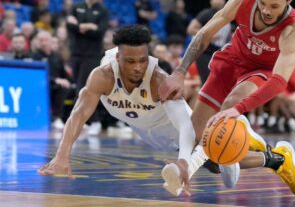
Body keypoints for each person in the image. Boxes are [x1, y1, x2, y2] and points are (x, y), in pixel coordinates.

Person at [37, 25, 243, 196]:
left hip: (175, 127)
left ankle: (239, 156)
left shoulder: (159, 80)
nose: (138, 67)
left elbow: (185, 125)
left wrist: (184, 162)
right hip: (145, 131)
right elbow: (78, 115)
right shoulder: (102, 76)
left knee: (213, 156)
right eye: (130, 61)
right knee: (206, 158)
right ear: (118, 57)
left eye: (142, 60)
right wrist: (62, 154)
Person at [159, 0, 295, 196]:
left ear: (289, 1)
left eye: (274, 6)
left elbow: (279, 81)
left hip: (262, 70)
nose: (266, 10)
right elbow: (204, 34)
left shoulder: (294, 28)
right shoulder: (243, 1)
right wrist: (180, 70)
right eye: (263, 3)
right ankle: (276, 159)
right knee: (202, 138)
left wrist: (238, 109)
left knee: (230, 106)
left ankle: (189, 171)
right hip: (231, 59)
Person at [66, 0, 109, 135]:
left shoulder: (103, 11)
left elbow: (100, 32)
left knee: (83, 89)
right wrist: (86, 26)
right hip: (75, 53)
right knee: (79, 88)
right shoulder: (76, 6)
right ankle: (85, 121)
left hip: (92, 55)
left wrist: (79, 26)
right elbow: (69, 26)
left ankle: (94, 121)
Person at [187, 0, 231, 84]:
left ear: (224, 1)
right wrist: (207, 34)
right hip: (205, 53)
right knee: (207, 82)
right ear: (211, 1)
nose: (218, 1)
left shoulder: (228, 15)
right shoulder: (206, 14)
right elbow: (190, 29)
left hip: (219, 54)